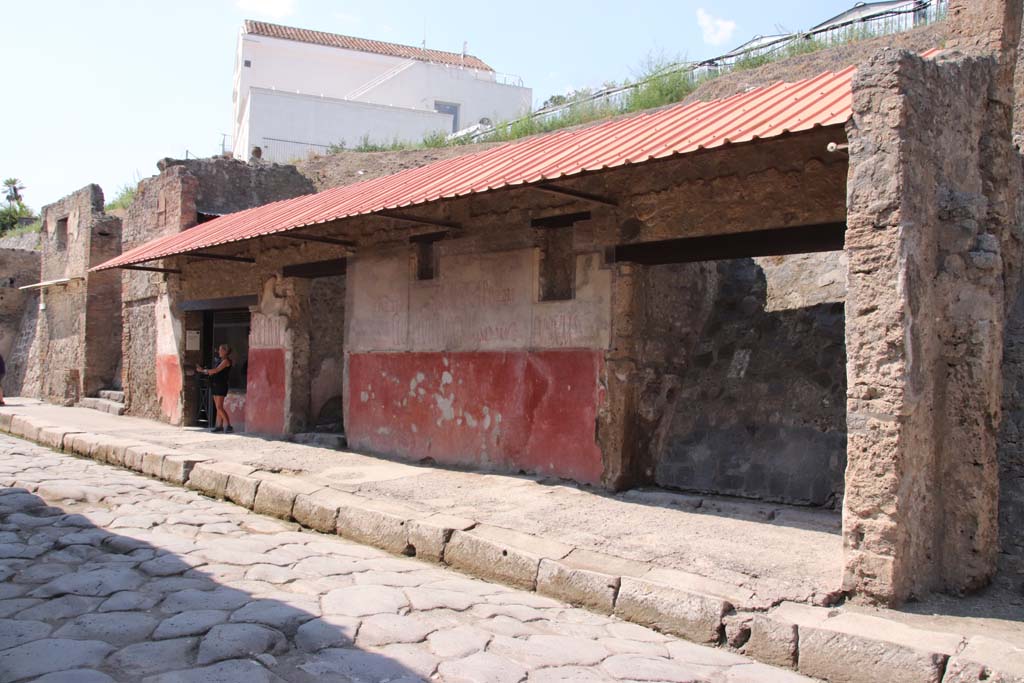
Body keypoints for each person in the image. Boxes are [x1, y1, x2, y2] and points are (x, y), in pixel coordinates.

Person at [197, 344, 233, 433]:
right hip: (215, 384)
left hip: (221, 385)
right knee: (218, 407)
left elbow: (216, 370)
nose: (219, 351)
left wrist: (203, 371)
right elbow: (213, 371)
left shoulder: (226, 361)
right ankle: (219, 425)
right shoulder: (220, 360)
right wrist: (206, 370)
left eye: (221, 350)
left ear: (225, 351)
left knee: (219, 407)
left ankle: (228, 425)